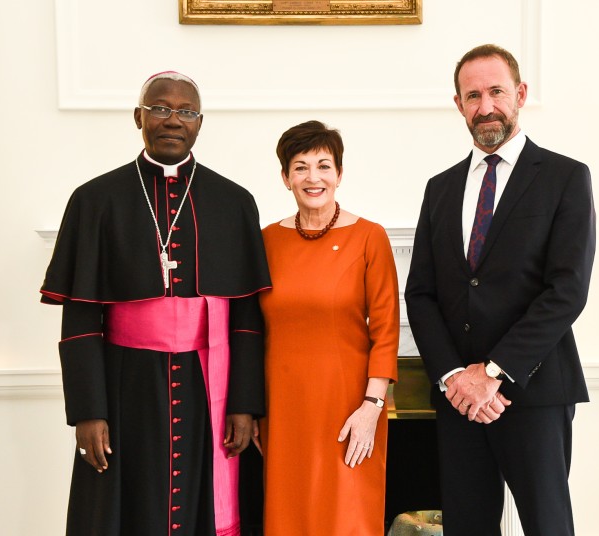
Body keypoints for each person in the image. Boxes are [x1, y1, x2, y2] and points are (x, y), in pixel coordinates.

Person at [40, 71, 271, 536]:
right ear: (138, 117)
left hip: (208, 383)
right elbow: (81, 319)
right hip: (127, 384)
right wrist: (88, 410)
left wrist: (243, 403)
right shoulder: (95, 200)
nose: (172, 120)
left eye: (185, 111)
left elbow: (246, 318)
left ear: (199, 123)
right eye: (160, 108)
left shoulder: (234, 202)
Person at [405, 44, 596, 535]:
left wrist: (492, 373)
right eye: (473, 95)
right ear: (458, 104)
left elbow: (567, 290)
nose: (485, 106)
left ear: (520, 94)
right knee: (467, 526)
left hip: (533, 390)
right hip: (458, 400)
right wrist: (453, 377)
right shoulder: (439, 188)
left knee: (547, 524)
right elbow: (420, 294)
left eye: (496, 92)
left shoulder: (565, 177)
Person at [258, 120, 399, 535]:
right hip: (282, 410)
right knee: (288, 518)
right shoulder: (265, 241)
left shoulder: (370, 237)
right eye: (300, 167)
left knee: (346, 517)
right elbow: (250, 329)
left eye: (323, 165)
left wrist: (372, 408)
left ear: (339, 173)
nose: (313, 177)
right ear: (285, 178)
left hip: (350, 409)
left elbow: (386, 329)